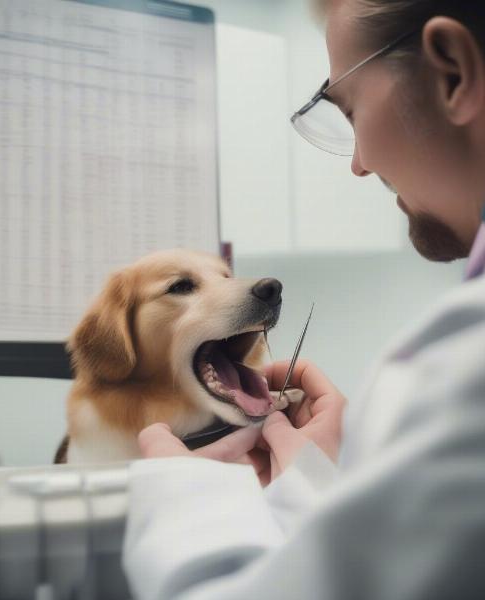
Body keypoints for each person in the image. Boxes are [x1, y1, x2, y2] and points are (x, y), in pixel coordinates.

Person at [121, 1, 485, 598]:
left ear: (453, 73)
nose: (359, 165)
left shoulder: (464, 366)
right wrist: (323, 482)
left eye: (350, 108)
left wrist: (183, 492)